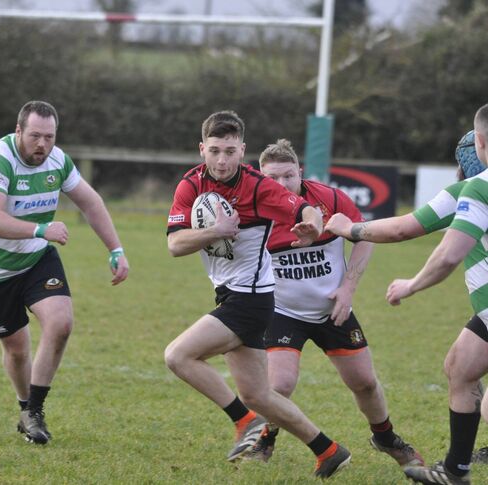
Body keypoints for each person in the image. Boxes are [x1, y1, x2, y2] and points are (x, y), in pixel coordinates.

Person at [165, 110, 351, 479]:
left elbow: (307, 209)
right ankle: (328, 450)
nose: (222, 160)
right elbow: (174, 245)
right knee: (259, 394)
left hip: (251, 298)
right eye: (214, 150)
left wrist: (312, 228)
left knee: (178, 355)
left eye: (230, 151)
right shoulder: (191, 184)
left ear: (242, 150)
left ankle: (245, 422)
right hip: (230, 294)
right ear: (202, 149)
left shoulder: (257, 186)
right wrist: (215, 230)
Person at [324, 107, 488, 485]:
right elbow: (404, 226)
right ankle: (454, 471)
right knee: (460, 367)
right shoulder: (469, 191)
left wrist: (410, 283)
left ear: (478, 143)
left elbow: (442, 251)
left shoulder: (477, 188)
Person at [0, 100, 129, 445]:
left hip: (37, 259)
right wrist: (40, 230)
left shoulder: (58, 160)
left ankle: (35, 411)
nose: (42, 145)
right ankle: (25, 406)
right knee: (17, 348)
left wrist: (115, 249)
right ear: (19, 131)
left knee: (61, 323)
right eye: (35, 136)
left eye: (50, 137)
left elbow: (90, 202)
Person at [256, 138, 423, 468]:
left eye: (288, 175)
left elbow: (366, 237)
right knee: (279, 385)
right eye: (272, 178)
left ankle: (386, 438)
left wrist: (348, 288)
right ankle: (264, 439)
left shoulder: (329, 198)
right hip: (282, 311)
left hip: (333, 307)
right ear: (261, 178)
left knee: (364, 382)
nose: (281, 184)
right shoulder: (258, 213)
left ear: (299, 171)